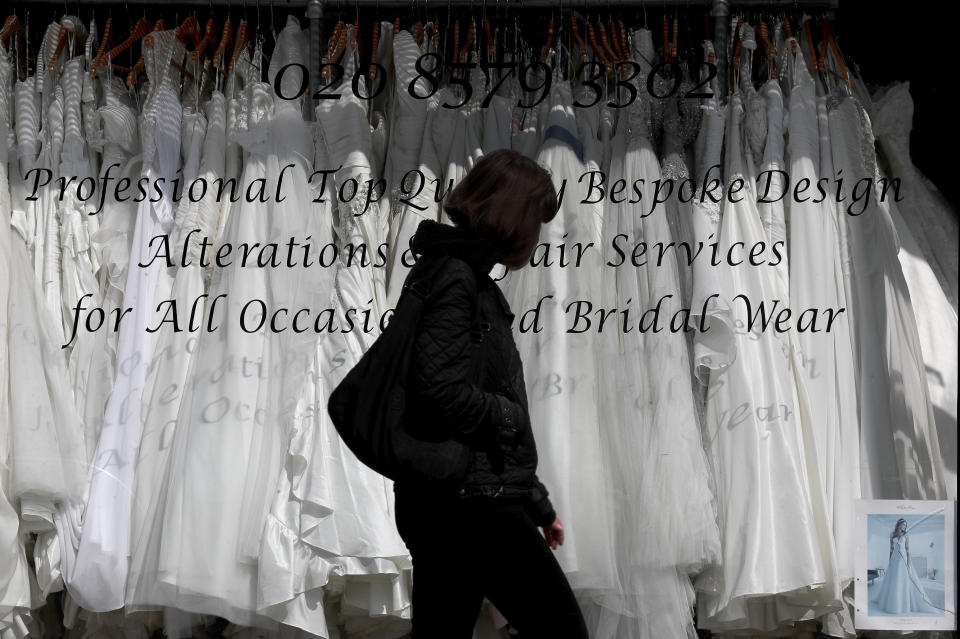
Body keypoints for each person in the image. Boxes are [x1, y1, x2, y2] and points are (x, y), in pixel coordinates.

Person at [394, 149, 589, 638]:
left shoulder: (455, 272)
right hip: (472, 508)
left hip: (453, 502)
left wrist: (538, 504)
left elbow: (473, 392)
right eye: (534, 219)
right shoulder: (456, 278)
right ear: (511, 216)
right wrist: (508, 415)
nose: (536, 234)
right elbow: (437, 392)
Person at [871, 518, 939, 615]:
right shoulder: (892, 534)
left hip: (902, 559)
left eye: (905, 525)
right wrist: (889, 561)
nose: (904, 527)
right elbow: (891, 549)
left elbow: (907, 551)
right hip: (894, 558)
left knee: (901, 579)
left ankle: (901, 604)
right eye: (903, 525)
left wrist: (908, 563)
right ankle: (891, 602)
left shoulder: (906, 535)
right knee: (893, 580)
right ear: (899, 524)